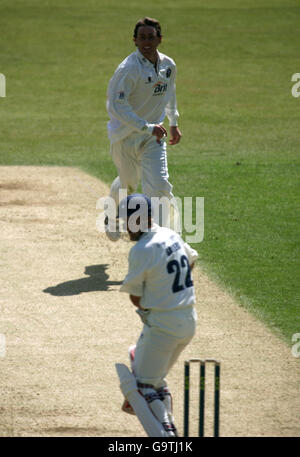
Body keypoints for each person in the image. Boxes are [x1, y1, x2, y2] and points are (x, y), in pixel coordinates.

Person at [115, 194, 198, 437]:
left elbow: (135, 296)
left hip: (163, 328)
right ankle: (166, 421)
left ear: (137, 220)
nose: (125, 228)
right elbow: (191, 261)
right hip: (189, 321)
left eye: (126, 221)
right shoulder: (170, 234)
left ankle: (166, 438)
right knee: (153, 380)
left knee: (140, 388)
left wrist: (151, 306)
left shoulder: (141, 249)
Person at [105, 17, 182, 241]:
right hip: (125, 136)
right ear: (135, 41)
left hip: (153, 137)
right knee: (129, 184)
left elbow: (169, 93)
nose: (146, 42)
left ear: (159, 39)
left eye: (151, 37)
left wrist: (174, 122)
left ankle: (163, 238)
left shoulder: (168, 65)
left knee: (159, 185)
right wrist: (146, 127)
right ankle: (111, 210)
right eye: (142, 38)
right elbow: (118, 106)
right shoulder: (128, 69)